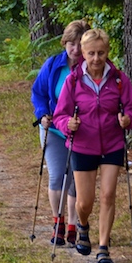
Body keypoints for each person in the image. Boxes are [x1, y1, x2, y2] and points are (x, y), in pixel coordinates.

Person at [53, 28, 132, 263]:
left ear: (107, 52)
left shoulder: (119, 80)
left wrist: (127, 119)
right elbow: (60, 115)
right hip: (82, 144)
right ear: (83, 52)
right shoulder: (73, 81)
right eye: (91, 53)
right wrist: (67, 124)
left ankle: (103, 248)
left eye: (101, 53)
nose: (96, 59)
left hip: (112, 143)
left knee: (109, 195)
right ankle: (82, 225)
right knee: (84, 202)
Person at [31, 19, 90, 247]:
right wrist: (43, 113)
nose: (75, 50)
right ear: (64, 43)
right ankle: (59, 223)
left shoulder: (92, 67)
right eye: (71, 44)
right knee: (57, 176)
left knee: (76, 180)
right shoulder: (54, 65)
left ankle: (74, 226)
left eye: (80, 45)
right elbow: (38, 92)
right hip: (54, 129)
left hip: (82, 133)